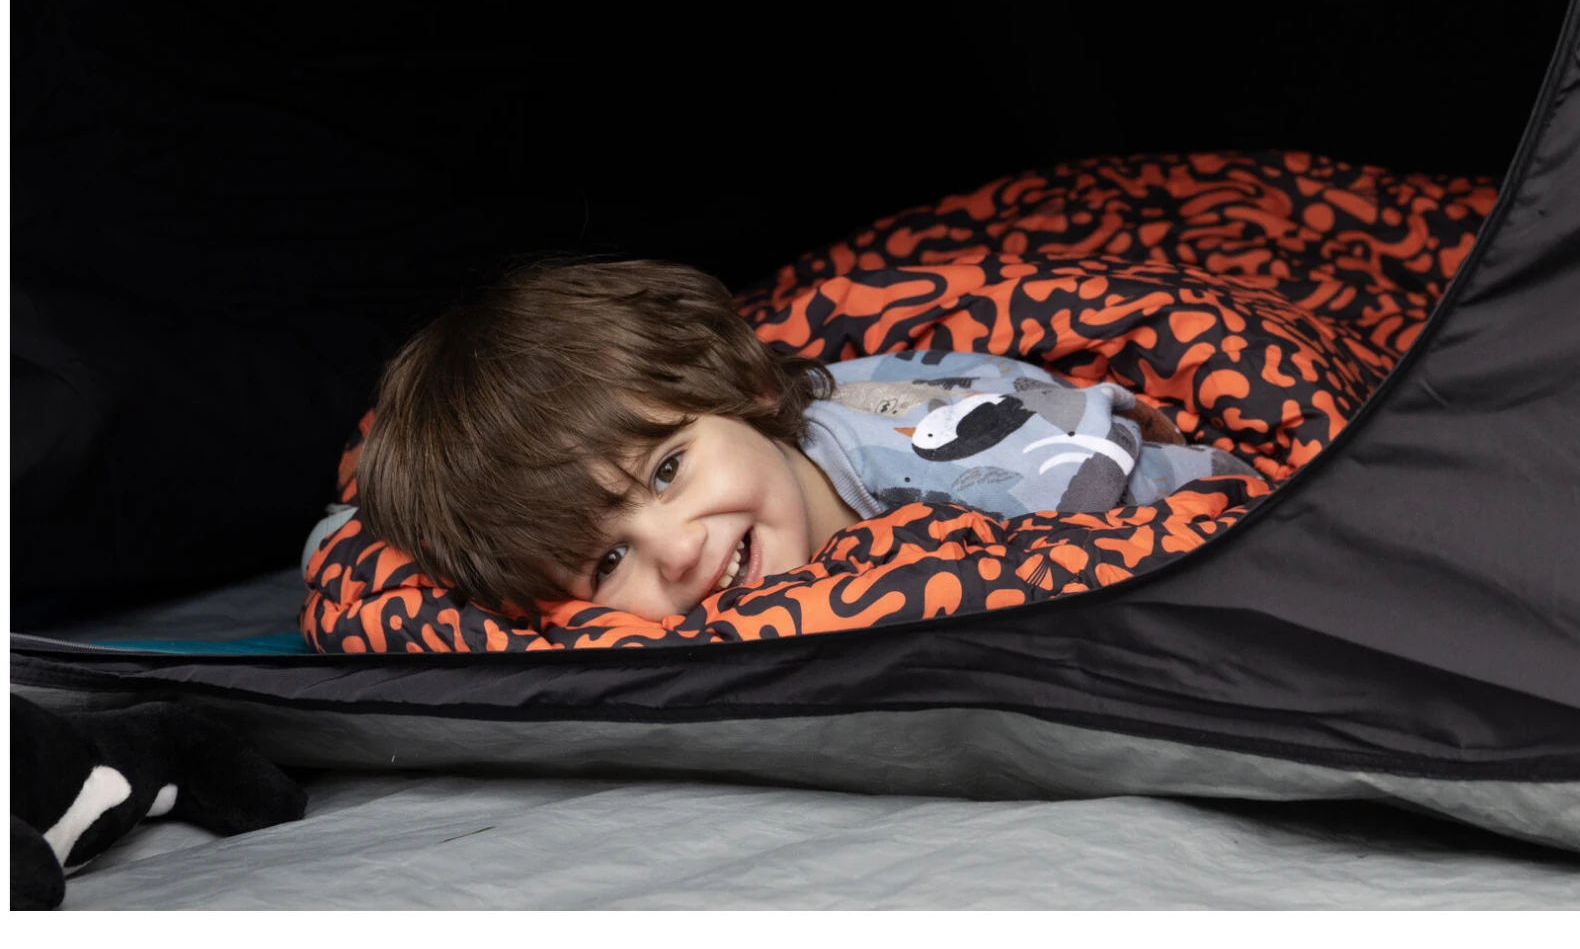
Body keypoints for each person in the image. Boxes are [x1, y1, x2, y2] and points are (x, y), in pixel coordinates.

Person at [356, 259, 1257, 622]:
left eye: (667, 472)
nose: (677, 553)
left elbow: (1155, 522)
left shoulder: (928, 462)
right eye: (608, 562)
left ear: (745, 392)